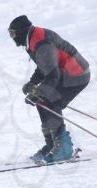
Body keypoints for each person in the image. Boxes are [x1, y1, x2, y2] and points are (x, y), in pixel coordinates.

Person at [8, 15, 90, 163]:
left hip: (75, 74)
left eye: (13, 33)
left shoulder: (40, 42)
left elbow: (53, 74)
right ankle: (52, 145)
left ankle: (63, 149)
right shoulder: (32, 39)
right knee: (42, 102)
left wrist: (38, 92)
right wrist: (33, 83)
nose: (12, 37)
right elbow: (45, 66)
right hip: (66, 74)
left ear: (21, 31)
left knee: (51, 102)